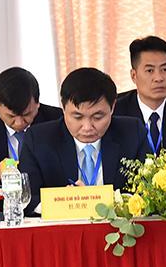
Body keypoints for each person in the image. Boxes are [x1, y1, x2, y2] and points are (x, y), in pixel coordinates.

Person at [19, 67, 149, 214]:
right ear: (63, 108)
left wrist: (101, 201)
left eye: (97, 117)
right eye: (77, 117)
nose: (87, 127)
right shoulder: (38, 139)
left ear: (112, 107)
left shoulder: (133, 133)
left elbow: (148, 192)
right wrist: (62, 202)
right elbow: (26, 198)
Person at [0, 67, 63, 183]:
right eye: (11, 116)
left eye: (26, 115)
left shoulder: (56, 120)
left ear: (37, 104)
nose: (19, 123)